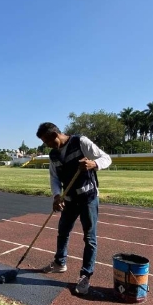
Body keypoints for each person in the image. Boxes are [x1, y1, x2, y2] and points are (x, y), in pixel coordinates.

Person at [36, 122, 112, 295]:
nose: (46, 145)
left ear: (55, 135)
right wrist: (56, 196)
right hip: (69, 199)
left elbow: (106, 158)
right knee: (63, 230)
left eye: (47, 141)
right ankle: (60, 263)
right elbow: (54, 178)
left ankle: (85, 275)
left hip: (88, 198)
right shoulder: (53, 155)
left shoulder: (80, 142)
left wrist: (93, 164)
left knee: (89, 238)